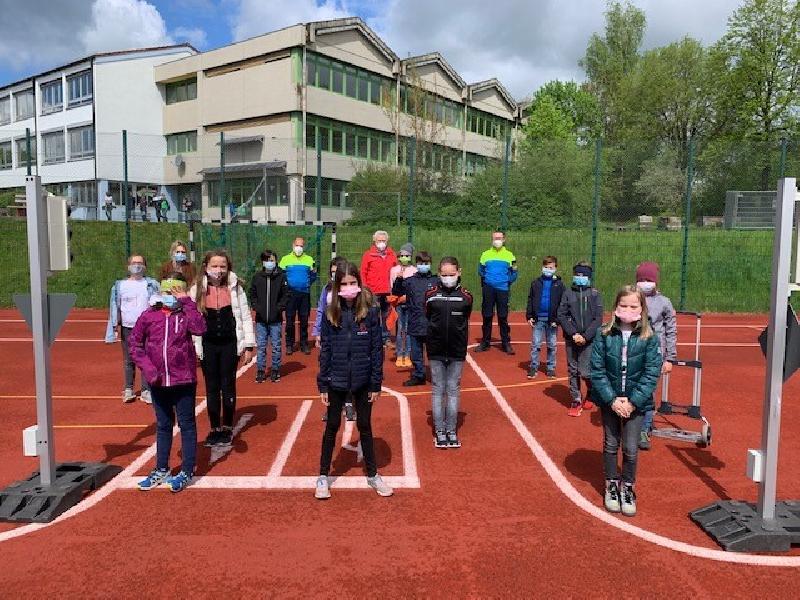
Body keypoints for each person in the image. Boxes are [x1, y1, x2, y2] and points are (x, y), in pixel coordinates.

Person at [315, 262, 393, 500]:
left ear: (359, 285)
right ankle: (322, 476)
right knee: (331, 428)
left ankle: (372, 474)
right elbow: (325, 350)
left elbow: (376, 350)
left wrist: (375, 383)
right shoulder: (331, 314)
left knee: (365, 427)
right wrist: (323, 384)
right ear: (337, 287)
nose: (349, 288)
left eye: (353, 283)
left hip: (362, 379)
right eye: (344, 284)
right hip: (336, 380)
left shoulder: (369, 312)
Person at [130, 273, 206, 493]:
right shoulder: (149, 315)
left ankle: (187, 469)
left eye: (175, 292)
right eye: (167, 291)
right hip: (158, 382)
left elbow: (200, 328)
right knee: (163, 425)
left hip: (183, 380)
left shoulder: (186, 314)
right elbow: (135, 344)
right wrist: (149, 369)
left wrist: (186, 301)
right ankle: (161, 467)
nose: (170, 296)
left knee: (187, 424)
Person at [590, 286, 662, 517]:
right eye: (624, 306)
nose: (628, 310)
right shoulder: (604, 334)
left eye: (634, 306)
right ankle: (611, 483)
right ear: (615, 308)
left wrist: (633, 401)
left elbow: (651, 372)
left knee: (630, 449)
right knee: (611, 444)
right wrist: (612, 400)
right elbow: (597, 370)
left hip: (636, 403)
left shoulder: (649, 337)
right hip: (610, 401)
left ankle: (628, 486)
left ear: (642, 309)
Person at [190, 250, 255, 448]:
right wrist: (193, 347)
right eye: (214, 266)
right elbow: (191, 319)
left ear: (228, 268)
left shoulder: (236, 288)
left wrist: (249, 345)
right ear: (206, 267)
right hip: (208, 344)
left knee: (227, 385)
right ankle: (214, 427)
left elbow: (244, 316)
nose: (218, 270)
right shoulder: (197, 290)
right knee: (211, 387)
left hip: (229, 343)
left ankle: (227, 426)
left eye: (222, 267)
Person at [425, 256, 472, 448]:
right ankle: (439, 430)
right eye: (444, 274)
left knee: (452, 390)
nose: (448, 278)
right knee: (438, 389)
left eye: (451, 274)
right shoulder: (430, 295)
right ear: (438, 274)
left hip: (456, 350)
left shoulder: (466, 297)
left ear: (459, 272)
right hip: (436, 349)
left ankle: (451, 430)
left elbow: (465, 318)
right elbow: (428, 315)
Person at [104, 255, 160, 404]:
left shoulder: (152, 284)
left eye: (140, 263)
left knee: (147, 358)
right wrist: (114, 326)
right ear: (128, 266)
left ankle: (146, 389)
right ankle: (128, 388)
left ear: (145, 266)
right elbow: (115, 306)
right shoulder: (119, 286)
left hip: (147, 327)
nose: (137, 266)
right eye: (134, 263)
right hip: (128, 327)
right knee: (129, 359)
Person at [635, 261, 677, 450]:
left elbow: (671, 331)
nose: (645, 283)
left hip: (655, 355)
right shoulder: (632, 299)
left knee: (648, 392)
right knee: (633, 390)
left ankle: (644, 429)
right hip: (634, 353)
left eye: (648, 280)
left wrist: (669, 358)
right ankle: (633, 425)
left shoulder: (664, 302)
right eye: (641, 280)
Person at [312, 257, 355, 422]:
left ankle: (349, 403)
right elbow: (321, 311)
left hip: (346, 334)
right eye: (333, 271)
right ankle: (332, 405)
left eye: (338, 271)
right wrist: (317, 332)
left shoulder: (351, 290)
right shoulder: (327, 289)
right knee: (330, 368)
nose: (335, 274)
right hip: (330, 333)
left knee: (349, 368)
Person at [558, 262, 603, 417]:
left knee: (585, 371)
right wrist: (573, 334)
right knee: (572, 370)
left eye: (583, 275)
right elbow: (561, 315)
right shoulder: (568, 293)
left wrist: (585, 336)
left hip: (588, 340)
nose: (580, 278)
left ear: (589, 277)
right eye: (577, 274)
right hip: (571, 338)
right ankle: (576, 399)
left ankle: (591, 391)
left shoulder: (595, 294)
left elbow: (598, 319)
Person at [392, 251, 436, 387]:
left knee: (433, 353)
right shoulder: (410, 281)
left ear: (430, 264)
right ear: (417, 265)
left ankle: (437, 376)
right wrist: (398, 279)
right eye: (421, 263)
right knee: (416, 353)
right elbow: (397, 292)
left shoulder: (436, 280)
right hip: (415, 322)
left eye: (426, 263)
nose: (424, 266)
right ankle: (419, 375)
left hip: (432, 323)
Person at [475, 231, 517, 354]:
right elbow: (480, 270)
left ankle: (506, 342)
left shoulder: (510, 255)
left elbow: (514, 272)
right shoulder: (485, 255)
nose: (497, 240)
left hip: (503, 289)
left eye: (499, 238)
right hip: (488, 288)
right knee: (487, 315)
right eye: (494, 238)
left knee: (502, 316)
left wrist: (507, 281)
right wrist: (488, 281)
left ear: (504, 239)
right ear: (491, 240)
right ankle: (485, 342)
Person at [250, 249, 288, 384]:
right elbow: (252, 294)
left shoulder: (281, 277)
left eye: (272, 260)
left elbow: (285, 295)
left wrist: (279, 308)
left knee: (276, 345)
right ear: (262, 262)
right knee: (261, 346)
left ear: (276, 261)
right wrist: (256, 307)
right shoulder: (257, 277)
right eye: (267, 260)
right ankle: (260, 370)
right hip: (261, 319)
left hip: (275, 319)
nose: (269, 263)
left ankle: (275, 369)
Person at [526, 256, 565, 379]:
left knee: (552, 345)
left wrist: (557, 320)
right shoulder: (536, 283)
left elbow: (562, 303)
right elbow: (531, 299)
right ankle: (533, 367)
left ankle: (550, 368)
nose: (548, 269)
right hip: (538, 319)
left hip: (552, 320)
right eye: (546, 267)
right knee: (536, 344)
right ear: (542, 268)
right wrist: (529, 315)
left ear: (555, 268)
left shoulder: (559, 285)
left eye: (551, 267)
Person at [279, 237, 317, 355]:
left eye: (301, 245)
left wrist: (305, 284)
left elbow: (313, 276)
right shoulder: (285, 259)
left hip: (304, 294)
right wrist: (287, 288)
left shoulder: (309, 260)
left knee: (304, 320)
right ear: (293, 245)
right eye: (297, 245)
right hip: (290, 295)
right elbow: (281, 276)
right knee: (289, 320)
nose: (299, 248)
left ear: (304, 247)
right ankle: (289, 344)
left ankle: (304, 344)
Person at [360, 230, 397, 345]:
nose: (382, 243)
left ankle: (385, 338)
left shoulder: (392, 254)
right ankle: (373, 337)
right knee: (373, 314)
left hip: (387, 290)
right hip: (373, 291)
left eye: (384, 240)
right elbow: (363, 272)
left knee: (386, 314)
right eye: (379, 240)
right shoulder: (368, 255)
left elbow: (396, 270)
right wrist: (365, 288)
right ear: (374, 241)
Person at [389, 243, 417, 368]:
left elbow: (415, 290)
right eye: (402, 255)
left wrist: (408, 297)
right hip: (399, 304)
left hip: (410, 304)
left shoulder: (414, 270)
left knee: (409, 330)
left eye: (407, 255)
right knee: (400, 329)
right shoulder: (394, 270)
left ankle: (408, 354)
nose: (404, 257)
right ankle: (400, 354)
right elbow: (392, 288)